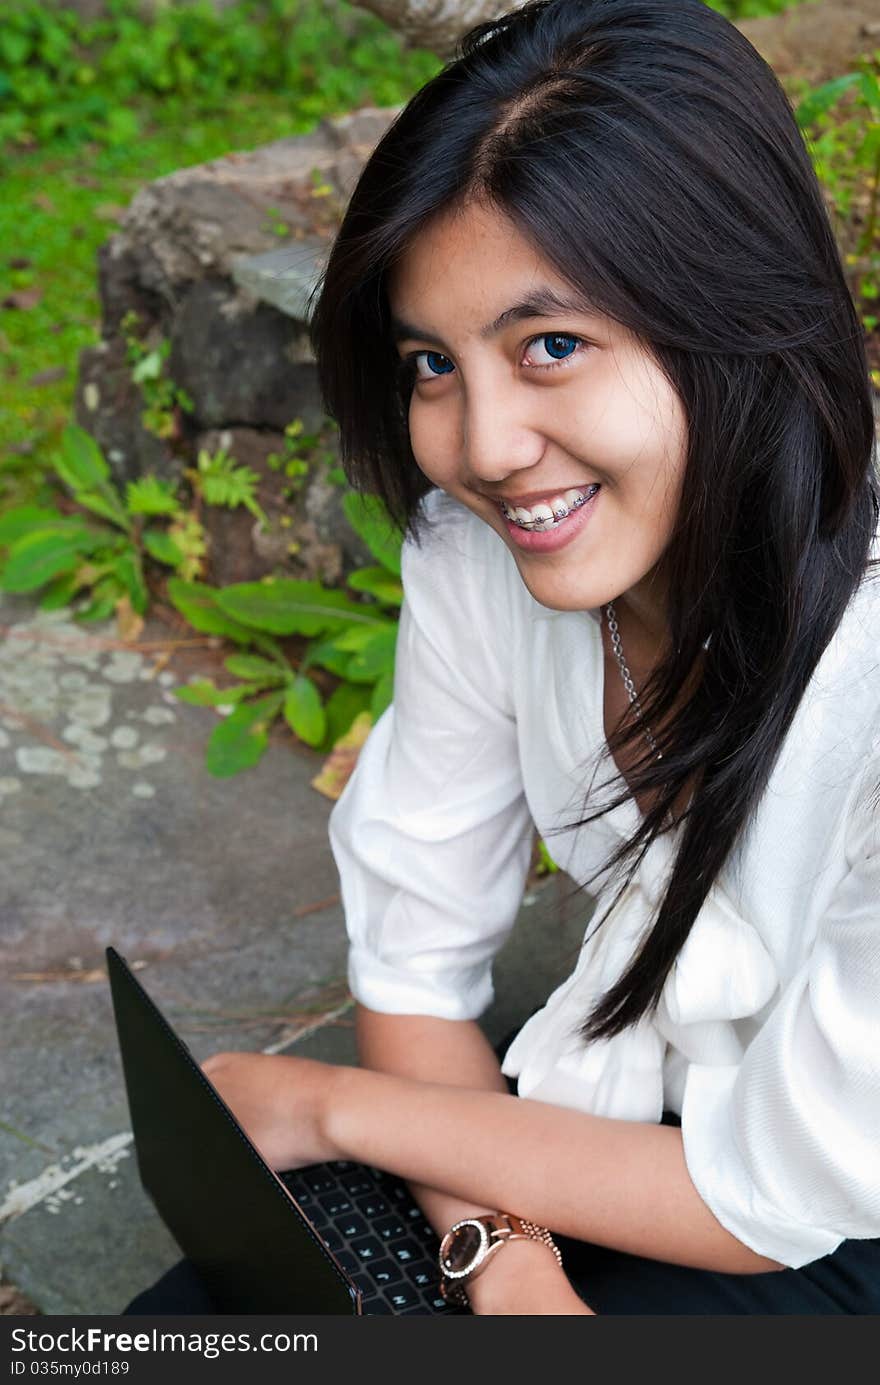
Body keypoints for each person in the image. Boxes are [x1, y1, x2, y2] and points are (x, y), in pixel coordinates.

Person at [128, 0, 880, 1314]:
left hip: (831, 1200)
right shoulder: (488, 560)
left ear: (738, 316)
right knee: (200, 1321)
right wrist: (506, 1256)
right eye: (433, 362)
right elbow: (415, 967)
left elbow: (776, 1190)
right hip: (631, 1112)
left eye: (550, 346)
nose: (484, 447)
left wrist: (327, 1104)